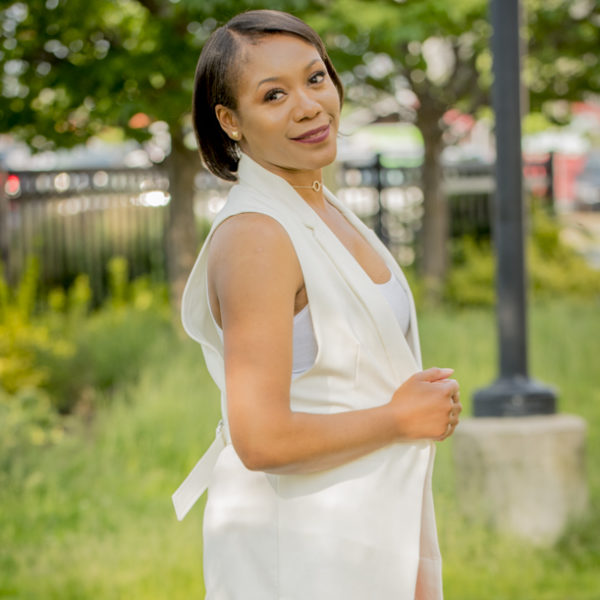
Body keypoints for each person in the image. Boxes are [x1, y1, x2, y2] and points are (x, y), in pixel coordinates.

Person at [172, 9, 462, 600]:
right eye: (273, 94)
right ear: (230, 120)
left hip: (366, 530)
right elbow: (260, 438)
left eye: (315, 78)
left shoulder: (319, 206)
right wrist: (401, 419)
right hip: (303, 549)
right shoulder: (258, 233)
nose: (307, 106)